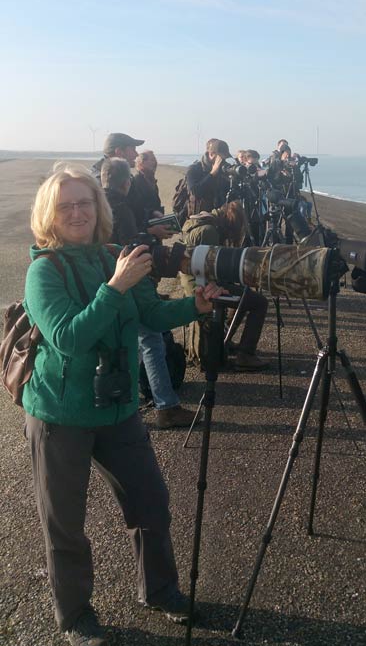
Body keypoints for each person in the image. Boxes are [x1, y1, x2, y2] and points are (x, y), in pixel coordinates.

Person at [23, 163, 224, 645]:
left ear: (99, 209)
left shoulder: (114, 255)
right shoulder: (43, 271)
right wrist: (114, 287)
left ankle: (159, 590)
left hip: (116, 407)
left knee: (150, 501)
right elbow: (70, 338)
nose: (77, 213)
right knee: (65, 523)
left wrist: (194, 306)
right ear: (49, 214)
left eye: (85, 203)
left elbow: (149, 313)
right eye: (66, 206)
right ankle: (74, 616)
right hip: (60, 415)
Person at [101, 157, 193, 428]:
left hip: (106, 283)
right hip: (128, 282)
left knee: (125, 342)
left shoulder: (97, 205)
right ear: (126, 183)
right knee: (151, 338)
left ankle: (125, 405)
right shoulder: (120, 207)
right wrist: (150, 234)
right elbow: (131, 247)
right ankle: (166, 406)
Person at [181, 201, 269, 371]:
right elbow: (211, 269)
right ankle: (246, 354)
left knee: (244, 295)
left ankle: (223, 338)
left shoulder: (207, 221)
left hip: (196, 281)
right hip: (201, 286)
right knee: (259, 302)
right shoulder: (210, 232)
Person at [185, 138, 232, 216]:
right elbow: (195, 191)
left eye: (225, 158)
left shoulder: (223, 170)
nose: (223, 161)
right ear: (211, 154)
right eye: (221, 158)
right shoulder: (194, 169)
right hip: (201, 218)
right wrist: (212, 174)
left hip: (219, 215)